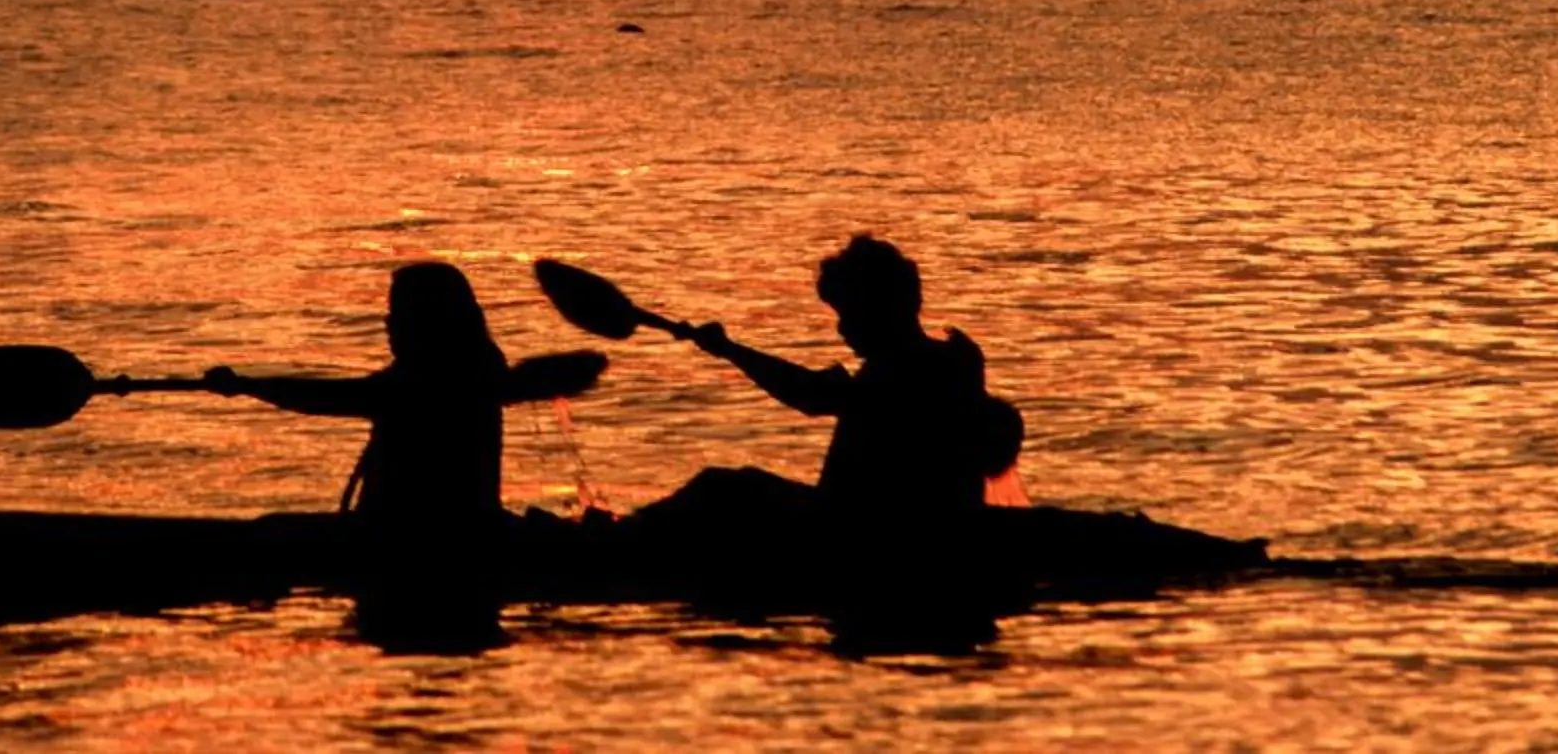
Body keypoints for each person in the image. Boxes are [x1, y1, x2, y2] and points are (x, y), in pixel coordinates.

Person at [203, 261, 605, 526]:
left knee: (275, 530)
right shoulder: (481, 375)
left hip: (414, 536)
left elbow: (330, 397)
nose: (388, 324)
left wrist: (249, 386)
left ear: (429, 322)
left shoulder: (432, 383)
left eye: (398, 314)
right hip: (467, 527)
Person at [672, 234, 1022, 527]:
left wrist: (730, 350)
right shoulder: (958, 358)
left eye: (847, 314)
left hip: (868, 524)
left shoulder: (897, 373)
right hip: (912, 517)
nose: (842, 329)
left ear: (880, 310)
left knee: (721, 488)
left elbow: (809, 394)